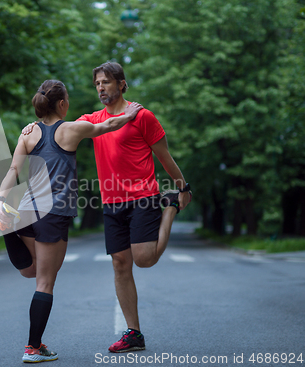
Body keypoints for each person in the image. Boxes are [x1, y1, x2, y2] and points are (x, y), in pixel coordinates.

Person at [22, 62, 192, 353]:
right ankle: (134, 333)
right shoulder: (91, 119)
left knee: (144, 259)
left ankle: (170, 208)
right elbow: (56, 128)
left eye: (107, 82)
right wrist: (33, 127)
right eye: (97, 83)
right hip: (112, 201)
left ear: (122, 84)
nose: (101, 87)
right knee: (120, 264)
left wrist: (182, 186)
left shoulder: (143, 116)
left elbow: (164, 155)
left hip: (143, 196)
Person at [0, 79, 142, 363]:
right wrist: (131, 112)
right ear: (62, 104)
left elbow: (13, 169)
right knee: (45, 282)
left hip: (26, 211)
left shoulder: (28, 132)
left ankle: (8, 231)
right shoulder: (71, 129)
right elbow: (108, 126)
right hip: (53, 213)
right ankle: (33, 348)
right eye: (68, 99)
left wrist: (1, 200)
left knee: (31, 272)